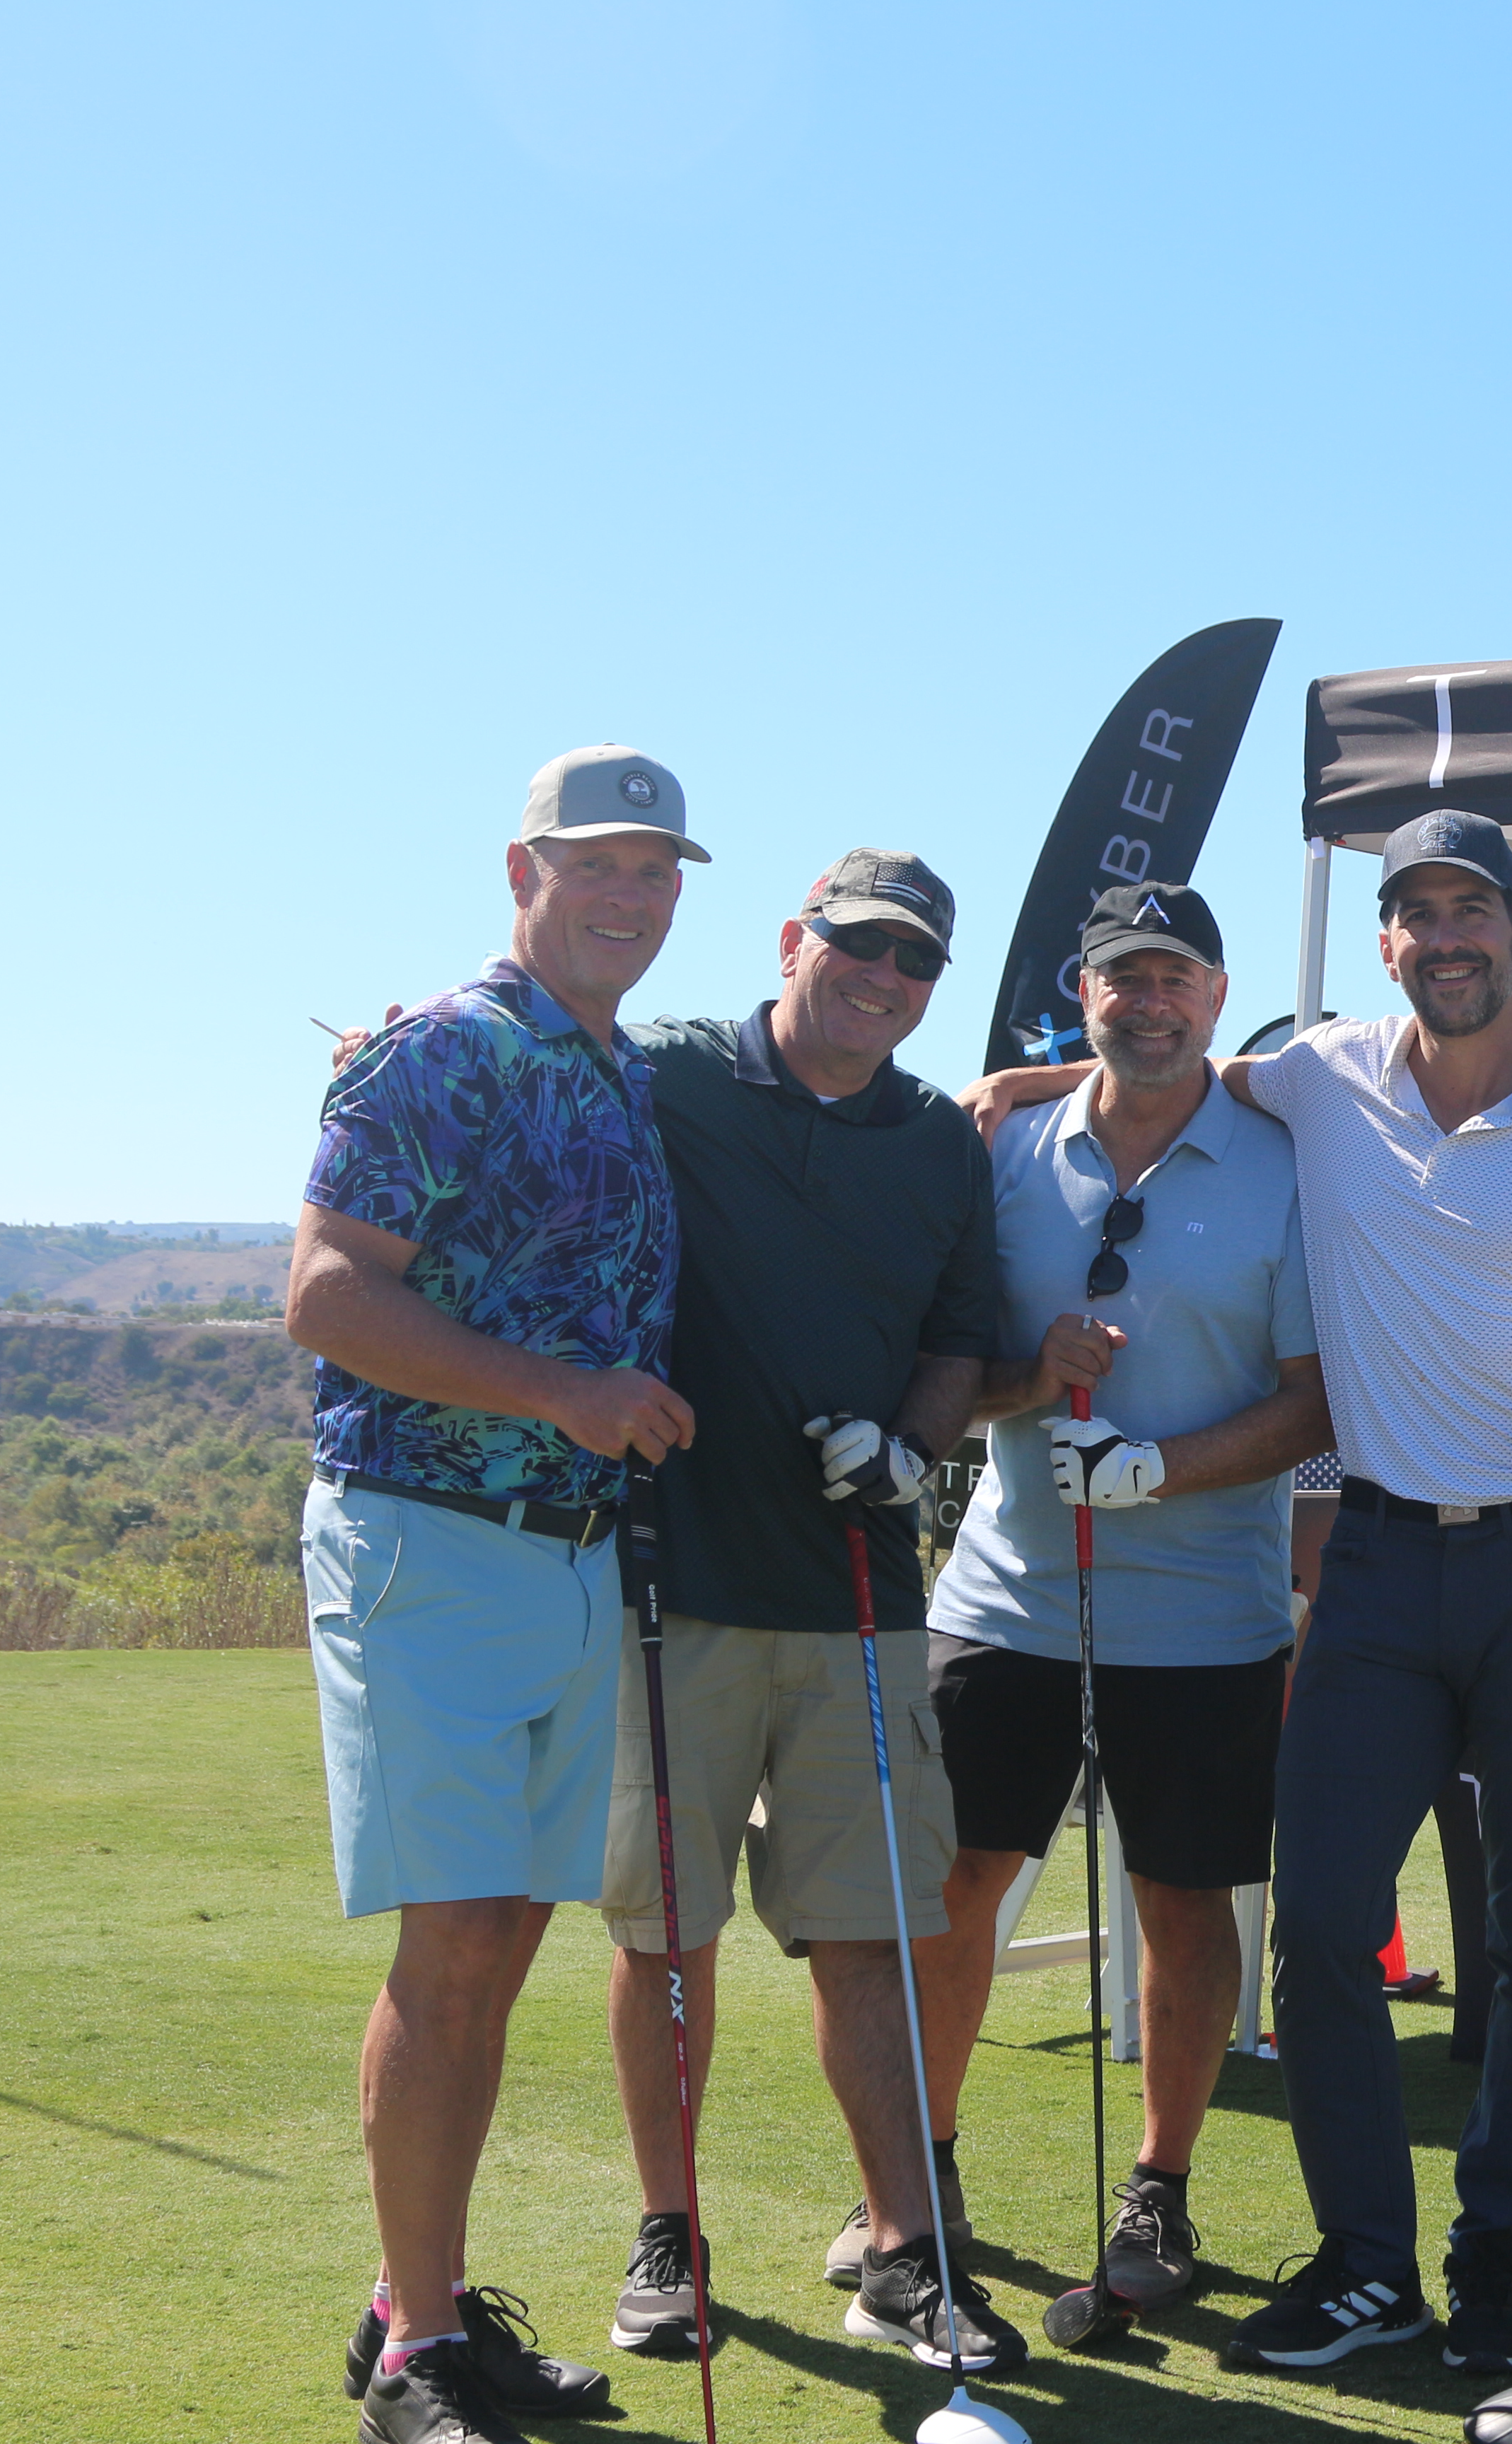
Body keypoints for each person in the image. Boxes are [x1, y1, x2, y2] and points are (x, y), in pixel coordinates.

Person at [967, 808, 1512, 2381]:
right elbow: (1169, 1081)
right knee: (1317, 1922)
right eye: (1417, 914)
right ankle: (1369, 2262)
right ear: (1386, 942)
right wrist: (1022, 1090)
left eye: (1474, 912)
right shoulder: (1326, 1071)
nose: (1445, 937)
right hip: (1378, 1559)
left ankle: (1497, 2257)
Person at [287, 743, 700, 2444]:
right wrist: (561, 1391)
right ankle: (414, 2360)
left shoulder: (615, 1064)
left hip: (570, 1555)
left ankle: (423, 2304)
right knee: (454, 1953)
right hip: (432, 1542)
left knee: (504, 1946)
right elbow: (323, 1294)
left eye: (657, 868)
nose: (628, 893)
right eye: (594, 862)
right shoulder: (443, 1048)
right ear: (519, 869)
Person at [598, 848, 1026, 2376]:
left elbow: (962, 1336)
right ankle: (668, 2237)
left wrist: (912, 1447)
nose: (886, 981)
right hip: (671, 1585)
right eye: (862, 946)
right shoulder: (670, 1077)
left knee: (879, 1939)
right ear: (795, 940)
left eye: (917, 964)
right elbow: (536, 1053)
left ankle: (907, 2257)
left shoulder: (934, 1142)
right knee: (666, 1937)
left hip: (857, 1598)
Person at [902, 882, 1334, 2319]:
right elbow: (947, 1375)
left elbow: (1308, 1406)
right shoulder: (1002, 1143)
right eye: (1120, 981)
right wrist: (1031, 1378)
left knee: (1183, 1897)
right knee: (955, 1883)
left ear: (1216, 996)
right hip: (1009, 1596)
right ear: (1081, 999)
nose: (1148, 1004)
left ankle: (1159, 2188)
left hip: (1207, 1611)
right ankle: (918, 2174)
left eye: (1176, 980)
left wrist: (1150, 1471)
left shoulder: (1287, 1160)